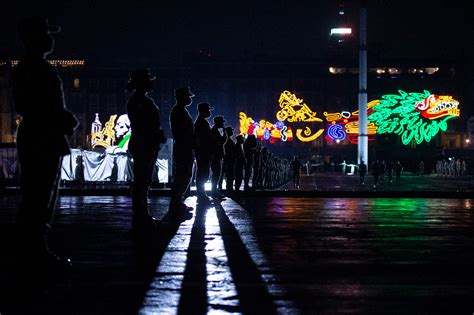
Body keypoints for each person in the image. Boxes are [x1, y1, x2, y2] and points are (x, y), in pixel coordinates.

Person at [11, 16, 79, 270]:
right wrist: (62, 118)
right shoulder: (34, 69)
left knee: (40, 196)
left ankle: (33, 251)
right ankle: (34, 254)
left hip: (43, 135)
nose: (51, 38)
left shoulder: (34, 67)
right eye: (46, 33)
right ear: (33, 37)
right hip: (42, 137)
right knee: (38, 197)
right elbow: (31, 106)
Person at [126, 69, 167, 233]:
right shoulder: (139, 101)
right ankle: (140, 219)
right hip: (144, 144)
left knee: (143, 182)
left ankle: (142, 217)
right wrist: (156, 135)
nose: (152, 82)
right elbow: (144, 125)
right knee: (141, 183)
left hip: (145, 144)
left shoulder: (139, 100)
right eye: (149, 80)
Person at [169, 87, 195, 214]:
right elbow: (183, 132)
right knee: (182, 176)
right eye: (188, 96)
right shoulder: (178, 111)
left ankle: (177, 203)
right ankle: (176, 204)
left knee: (184, 176)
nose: (190, 98)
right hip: (183, 147)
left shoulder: (181, 110)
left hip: (185, 147)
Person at [194, 102, 214, 203]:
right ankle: (201, 194)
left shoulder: (202, 122)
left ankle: (202, 194)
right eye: (208, 110)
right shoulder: (201, 122)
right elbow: (204, 139)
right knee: (202, 173)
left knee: (203, 173)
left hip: (204, 151)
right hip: (203, 151)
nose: (209, 112)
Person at [210, 116, 227, 198]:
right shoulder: (214, 131)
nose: (223, 124)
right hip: (215, 155)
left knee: (217, 173)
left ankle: (214, 190)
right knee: (216, 173)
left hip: (217, 155)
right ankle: (214, 191)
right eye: (221, 122)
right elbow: (220, 142)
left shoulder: (217, 131)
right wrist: (224, 134)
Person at [223, 126, 236, 193]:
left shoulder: (229, 140)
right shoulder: (227, 140)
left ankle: (229, 188)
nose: (232, 132)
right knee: (229, 175)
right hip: (229, 160)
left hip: (230, 160)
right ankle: (229, 189)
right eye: (231, 131)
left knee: (230, 175)